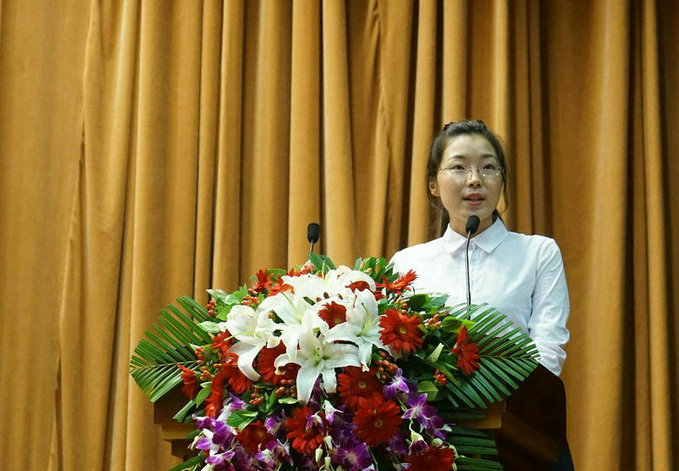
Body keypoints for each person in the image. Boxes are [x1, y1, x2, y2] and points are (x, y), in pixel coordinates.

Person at [390, 120, 570, 376]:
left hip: (517, 400)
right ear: (433, 185)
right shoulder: (407, 264)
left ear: (502, 180)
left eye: (488, 167)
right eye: (458, 167)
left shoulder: (538, 254)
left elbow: (548, 352)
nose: (475, 179)